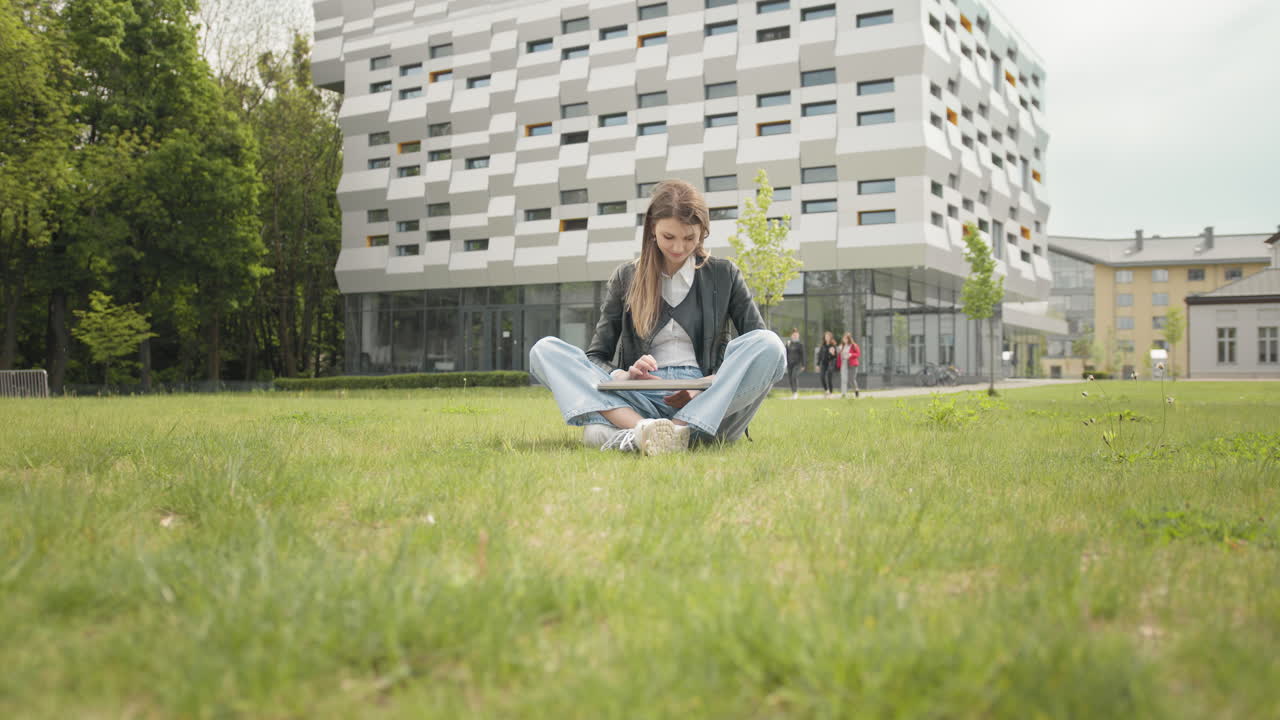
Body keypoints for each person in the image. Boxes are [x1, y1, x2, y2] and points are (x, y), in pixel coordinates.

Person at [528, 179, 786, 455]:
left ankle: (659, 432)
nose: (678, 248)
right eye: (669, 237)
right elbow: (595, 357)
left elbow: (757, 348)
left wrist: (705, 386)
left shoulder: (724, 275)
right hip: (638, 398)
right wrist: (625, 375)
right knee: (545, 351)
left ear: (703, 232)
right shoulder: (626, 277)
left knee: (770, 345)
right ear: (653, 229)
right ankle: (647, 430)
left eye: (690, 238)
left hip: (707, 400)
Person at [838, 332, 861, 398]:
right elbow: (838, 354)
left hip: (852, 364)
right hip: (844, 364)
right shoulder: (842, 346)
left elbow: (858, 354)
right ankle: (843, 394)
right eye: (844, 338)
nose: (844, 340)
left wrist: (851, 355)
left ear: (849, 339)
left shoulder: (853, 345)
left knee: (851, 379)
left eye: (846, 338)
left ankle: (856, 390)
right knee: (844, 379)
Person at [784, 328, 805, 399]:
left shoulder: (800, 344)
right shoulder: (788, 343)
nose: (795, 336)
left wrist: (803, 364)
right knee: (790, 378)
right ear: (791, 336)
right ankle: (793, 392)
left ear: (798, 336)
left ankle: (795, 392)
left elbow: (803, 355)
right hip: (790, 364)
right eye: (794, 335)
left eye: (796, 335)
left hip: (798, 363)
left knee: (794, 376)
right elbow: (785, 353)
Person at [818, 330, 838, 399]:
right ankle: (826, 390)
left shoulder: (833, 345)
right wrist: (818, 364)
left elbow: (836, 356)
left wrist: (833, 354)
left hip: (831, 362)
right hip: (824, 363)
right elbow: (820, 355)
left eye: (828, 336)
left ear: (830, 337)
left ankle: (831, 392)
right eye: (826, 336)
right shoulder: (823, 345)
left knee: (829, 376)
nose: (827, 337)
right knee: (822, 376)